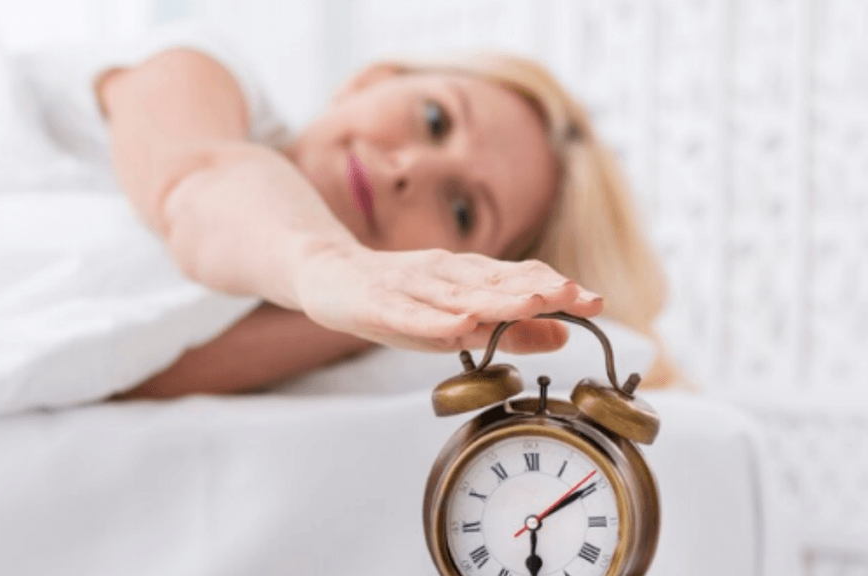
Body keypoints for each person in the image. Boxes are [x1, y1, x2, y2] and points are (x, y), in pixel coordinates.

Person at [97, 44, 673, 400]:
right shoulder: (202, 72)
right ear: (372, 78)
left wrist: (399, 312)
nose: (410, 170)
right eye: (434, 118)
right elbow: (195, 183)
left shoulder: (324, 323)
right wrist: (337, 269)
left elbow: (127, 373)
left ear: (469, 269)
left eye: (462, 210)